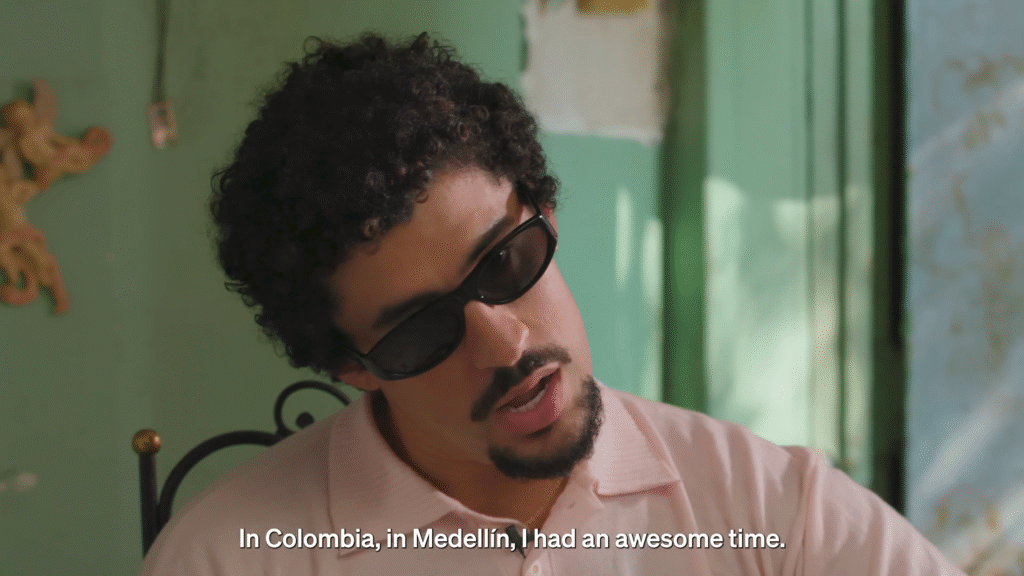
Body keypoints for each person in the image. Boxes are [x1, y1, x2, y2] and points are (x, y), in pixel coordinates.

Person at [139, 33, 964, 575]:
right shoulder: (230, 557)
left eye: (505, 262)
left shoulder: (770, 510)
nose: (504, 346)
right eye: (423, 329)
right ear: (350, 366)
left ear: (546, 211)